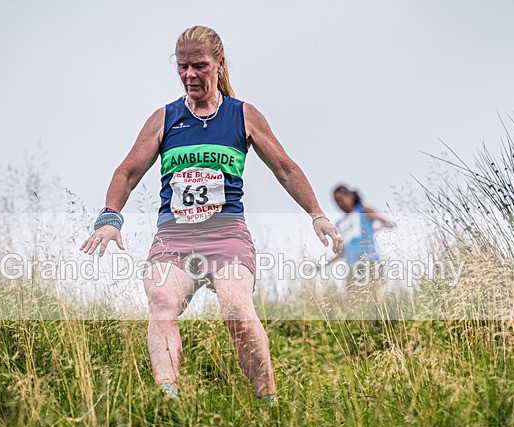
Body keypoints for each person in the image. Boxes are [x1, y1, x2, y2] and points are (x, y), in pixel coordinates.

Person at [80, 26, 342, 404]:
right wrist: (110, 217)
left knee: (236, 307)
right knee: (161, 302)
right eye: (183, 67)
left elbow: (285, 168)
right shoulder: (164, 119)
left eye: (199, 66)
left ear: (219, 65)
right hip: (174, 238)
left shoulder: (243, 115)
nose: (190, 75)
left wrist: (316, 213)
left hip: (227, 236)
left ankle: (268, 403)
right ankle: (168, 399)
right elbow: (127, 172)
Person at [331, 184, 394, 267]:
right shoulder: (340, 223)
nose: (340, 204)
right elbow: (343, 250)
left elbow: (389, 224)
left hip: (370, 262)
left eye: (341, 199)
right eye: (337, 201)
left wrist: (376, 229)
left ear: (350, 196)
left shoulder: (363, 210)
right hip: (352, 268)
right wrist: (323, 264)